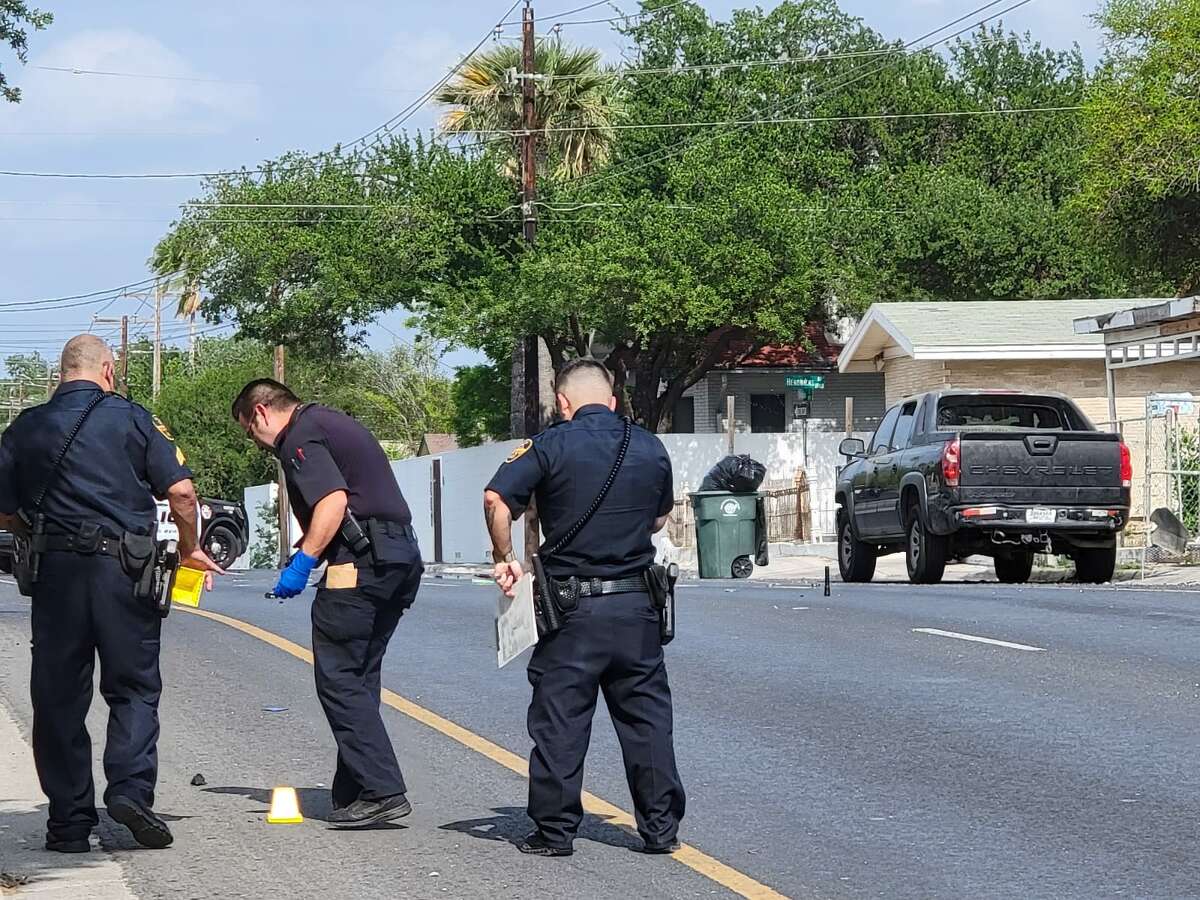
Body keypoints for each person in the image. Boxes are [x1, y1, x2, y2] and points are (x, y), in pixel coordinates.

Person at [0, 335, 222, 853]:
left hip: (56, 575)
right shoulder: (133, 418)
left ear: (61, 372)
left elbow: (4, 511)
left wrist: (35, 528)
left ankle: (68, 824)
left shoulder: (26, 427)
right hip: (125, 572)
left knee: (58, 698)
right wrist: (190, 547)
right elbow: (182, 492)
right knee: (133, 688)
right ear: (108, 369)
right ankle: (129, 793)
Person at [484, 358, 686, 857]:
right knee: (646, 720)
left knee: (561, 720)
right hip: (637, 605)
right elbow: (659, 519)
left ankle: (555, 832)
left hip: (572, 609)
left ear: (563, 402)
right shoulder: (649, 446)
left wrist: (505, 558)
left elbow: (495, 501)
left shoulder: (549, 444)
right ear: (613, 401)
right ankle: (660, 830)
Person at [231, 379, 422, 829]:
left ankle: (382, 790)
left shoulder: (298, 436)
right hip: (397, 557)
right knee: (360, 676)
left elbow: (333, 502)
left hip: (360, 563)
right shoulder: (329, 421)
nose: (256, 442)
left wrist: (303, 562)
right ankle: (354, 790)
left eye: (249, 431)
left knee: (338, 678)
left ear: (261, 412)